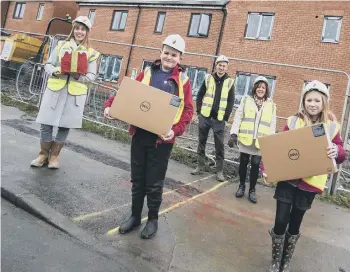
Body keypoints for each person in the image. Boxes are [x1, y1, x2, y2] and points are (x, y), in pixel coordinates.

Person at [103, 34, 194, 239]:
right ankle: (135, 216)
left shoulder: (183, 81)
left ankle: (152, 220)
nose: (169, 57)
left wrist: (175, 130)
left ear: (180, 58)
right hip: (140, 135)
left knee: (154, 182)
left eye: (174, 54)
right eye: (167, 53)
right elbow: (127, 93)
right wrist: (110, 105)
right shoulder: (146, 72)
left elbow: (188, 110)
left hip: (162, 140)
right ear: (161, 52)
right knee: (138, 179)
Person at [263, 81, 346, 272]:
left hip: (309, 185)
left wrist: (337, 150)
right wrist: (267, 169)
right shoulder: (293, 121)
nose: (313, 104)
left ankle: (285, 261)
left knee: (294, 224)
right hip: (287, 180)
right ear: (304, 101)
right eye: (309, 99)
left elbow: (342, 154)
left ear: (324, 102)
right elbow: (279, 148)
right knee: (281, 221)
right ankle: (275, 261)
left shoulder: (332, 127)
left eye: (317, 100)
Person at [31, 16, 99, 169]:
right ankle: (42, 155)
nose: (79, 31)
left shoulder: (91, 53)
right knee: (46, 123)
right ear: (73, 29)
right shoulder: (61, 45)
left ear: (87, 32)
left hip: (74, 94)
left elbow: (92, 76)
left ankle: (54, 157)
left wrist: (78, 76)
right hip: (55, 90)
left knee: (64, 125)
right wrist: (56, 71)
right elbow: (48, 64)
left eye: (83, 29)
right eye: (77, 28)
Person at [228, 76, 276, 203]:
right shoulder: (246, 100)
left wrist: (270, 141)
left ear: (267, 90)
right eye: (259, 87)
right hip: (246, 139)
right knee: (243, 162)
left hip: (260, 142)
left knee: (255, 165)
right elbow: (238, 117)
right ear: (255, 88)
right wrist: (233, 133)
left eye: (263, 87)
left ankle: (252, 190)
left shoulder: (271, 105)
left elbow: (272, 124)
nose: (261, 89)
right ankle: (241, 186)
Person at [191, 55, 235, 181]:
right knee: (201, 142)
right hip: (205, 116)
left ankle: (219, 171)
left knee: (219, 146)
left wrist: (225, 117)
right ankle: (200, 166)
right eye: (219, 65)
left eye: (224, 66)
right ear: (216, 65)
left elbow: (231, 101)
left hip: (219, 119)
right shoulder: (208, 78)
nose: (221, 68)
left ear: (227, 68)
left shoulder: (230, 82)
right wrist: (199, 112)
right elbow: (199, 95)